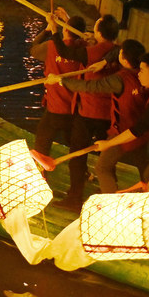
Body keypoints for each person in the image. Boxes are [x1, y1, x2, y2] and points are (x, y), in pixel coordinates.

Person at [50, 38, 148, 193]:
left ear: (123, 58)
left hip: (124, 132)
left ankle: (109, 204)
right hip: (143, 132)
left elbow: (90, 86)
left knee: (102, 167)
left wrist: (61, 81)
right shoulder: (144, 75)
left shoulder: (120, 79)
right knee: (146, 170)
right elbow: (116, 50)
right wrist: (104, 62)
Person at [92, 52, 149, 196]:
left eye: (142, 71)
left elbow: (137, 130)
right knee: (146, 170)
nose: (138, 74)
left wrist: (108, 144)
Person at [51, 13, 120, 206]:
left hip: (90, 110)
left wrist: (53, 30)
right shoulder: (118, 52)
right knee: (106, 156)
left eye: (96, 26)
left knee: (78, 155)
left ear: (99, 31)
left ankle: (74, 197)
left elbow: (65, 52)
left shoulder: (96, 52)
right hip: (110, 113)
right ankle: (108, 190)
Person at [31, 11, 87, 157]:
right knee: (75, 145)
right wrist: (67, 21)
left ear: (66, 29)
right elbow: (80, 37)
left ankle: (41, 170)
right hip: (76, 108)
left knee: (42, 141)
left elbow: (33, 49)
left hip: (56, 107)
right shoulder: (85, 47)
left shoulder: (51, 46)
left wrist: (48, 30)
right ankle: (85, 172)